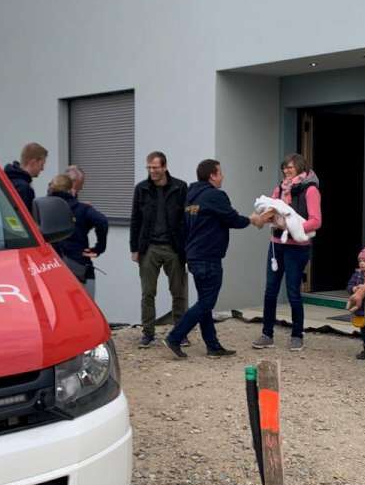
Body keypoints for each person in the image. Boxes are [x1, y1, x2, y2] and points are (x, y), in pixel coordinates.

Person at [165, 160, 265, 359]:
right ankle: (175, 337)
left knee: (204, 302)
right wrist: (252, 220)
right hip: (208, 257)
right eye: (220, 173)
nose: (223, 176)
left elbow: (182, 226)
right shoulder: (215, 195)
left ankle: (213, 346)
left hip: (194, 256)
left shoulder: (190, 196)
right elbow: (232, 219)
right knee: (206, 303)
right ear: (212, 175)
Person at [252, 153, 322, 352]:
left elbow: (316, 221)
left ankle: (297, 335)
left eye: (290, 167)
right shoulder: (279, 188)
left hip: (297, 248)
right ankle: (267, 334)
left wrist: (292, 228)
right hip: (276, 244)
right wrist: (264, 218)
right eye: (284, 168)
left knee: (293, 292)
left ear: (300, 167)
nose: (286, 171)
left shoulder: (310, 190)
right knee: (270, 291)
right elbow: (271, 210)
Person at [129, 151, 189, 348]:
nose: (152, 171)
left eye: (155, 167)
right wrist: (134, 248)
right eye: (149, 167)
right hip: (149, 247)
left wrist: (186, 246)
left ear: (164, 167)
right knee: (148, 293)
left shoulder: (180, 188)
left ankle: (180, 332)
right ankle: (148, 333)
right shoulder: (142, 189)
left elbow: (186, 219)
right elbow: (135, 220)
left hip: (174, 247)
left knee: (179, 292)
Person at [47, 173, 108, 298]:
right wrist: (99, 248)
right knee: (86, 308)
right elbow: (102, 221)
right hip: (78, 264)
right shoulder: (82, 209)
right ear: (71, 190)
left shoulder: (43, 208)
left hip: (52, 265)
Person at [3, 143, 47, 213]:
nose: (42, 169)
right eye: (41, 164)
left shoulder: (7, 179)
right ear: (33, 162)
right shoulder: (23, 188)